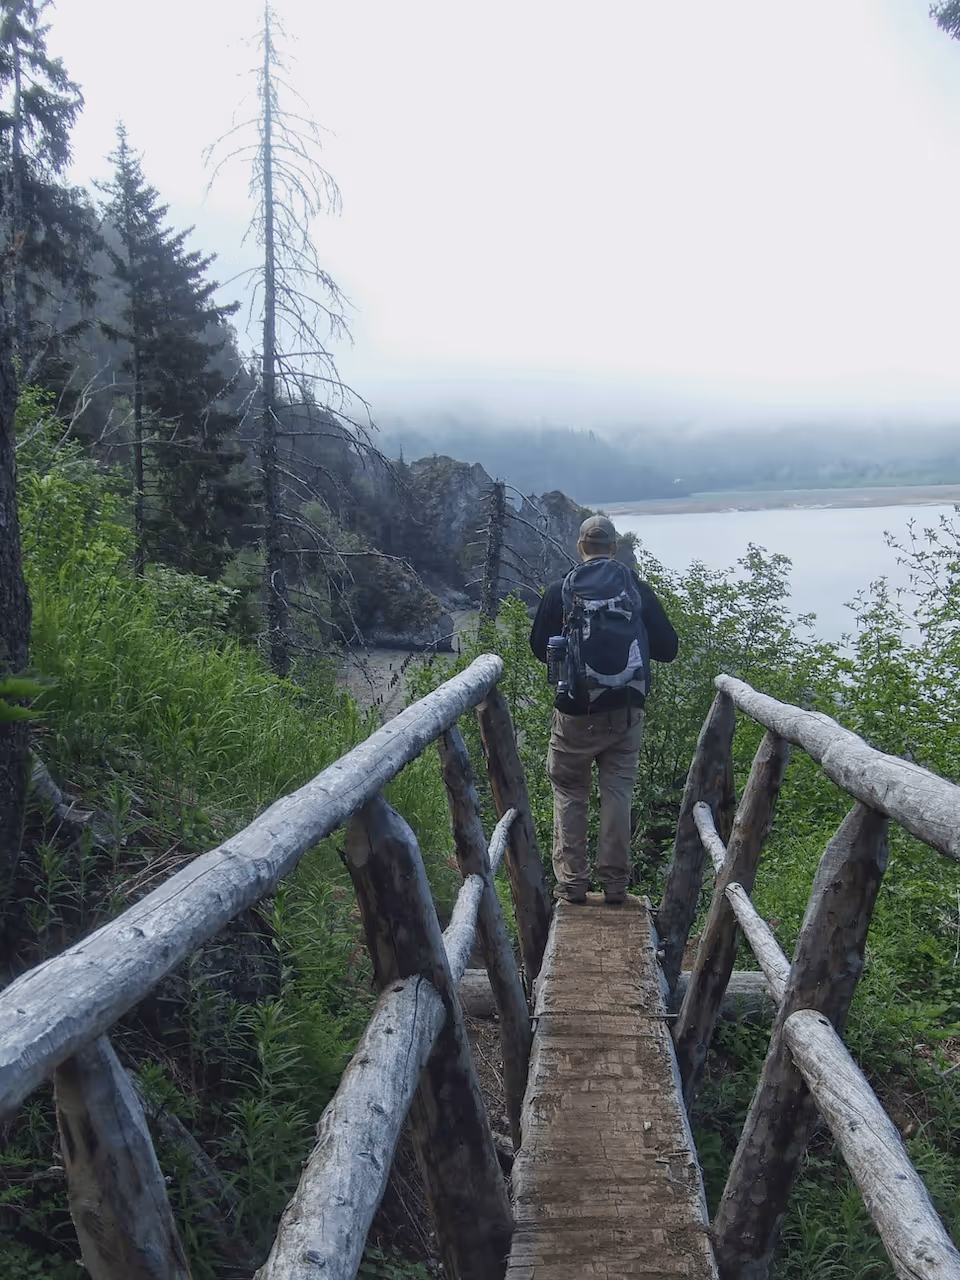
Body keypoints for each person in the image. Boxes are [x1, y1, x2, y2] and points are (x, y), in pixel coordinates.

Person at [529, 515, 678, 905]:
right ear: (613, 548)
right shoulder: (637, 590)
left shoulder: (559, 591)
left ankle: (573, 884)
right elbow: (669, 650)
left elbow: (538, 648)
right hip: (626, 711)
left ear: (580, 547)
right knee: (617, 792)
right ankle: (615, 885)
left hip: (575, 711)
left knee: (569, 791)